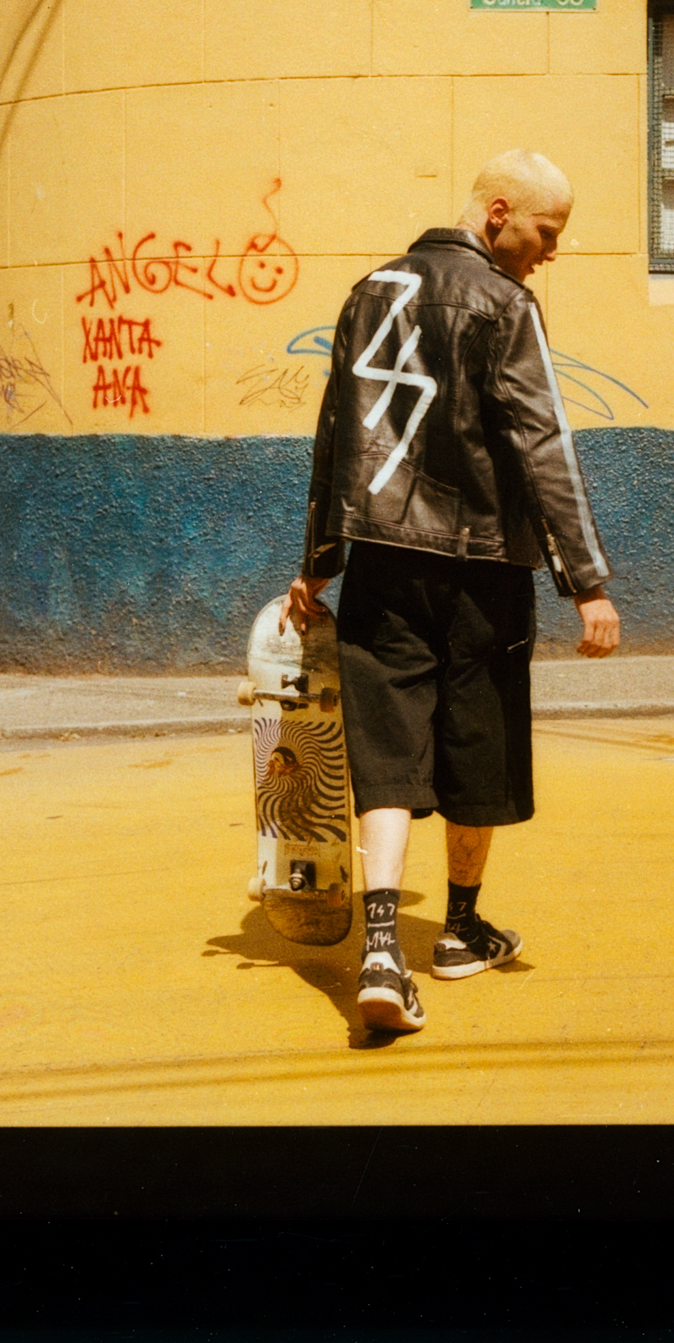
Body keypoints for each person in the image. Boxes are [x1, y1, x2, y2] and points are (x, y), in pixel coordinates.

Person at [284, 149, 620, 1034]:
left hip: (384, 566)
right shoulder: (504, 305)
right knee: (480, 748)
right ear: (499, 210)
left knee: (387, 752)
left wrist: (319, 560)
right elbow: (543, 443)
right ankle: (461, 932)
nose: (549, 252)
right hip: (482, 568)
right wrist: (586, 581)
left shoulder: (369, 292)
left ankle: (384, 949)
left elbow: (335, 431)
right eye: (546, 232)